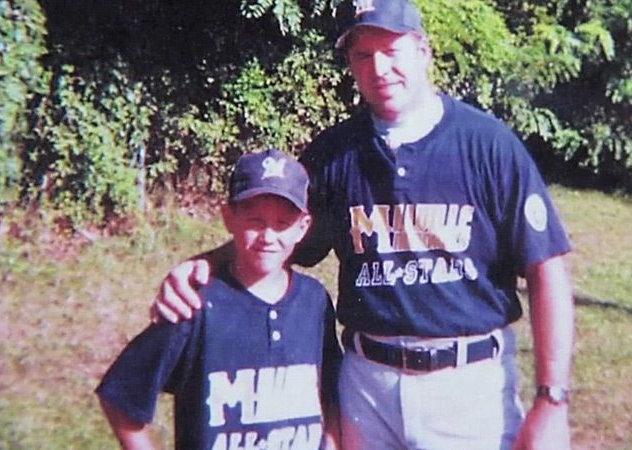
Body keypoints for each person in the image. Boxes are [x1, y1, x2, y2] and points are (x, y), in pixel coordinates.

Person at [152, 0, 575, 449]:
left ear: (423, 52)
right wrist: (206, 264)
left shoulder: (487, 145)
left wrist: (552, 400)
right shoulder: (336, 154)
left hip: (466, 385)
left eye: (391, 51)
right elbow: (279, 235)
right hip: (367, 385)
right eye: (363, 55)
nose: (379, 68)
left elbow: (546, 269)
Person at [96, 148, 343, 450]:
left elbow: (331, 394)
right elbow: (121, 395)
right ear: (229, 218)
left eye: (282, 223)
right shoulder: (195, 302)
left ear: (303, 227)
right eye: (255, 221)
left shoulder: (314, 301)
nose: (268, 236)